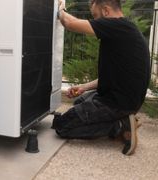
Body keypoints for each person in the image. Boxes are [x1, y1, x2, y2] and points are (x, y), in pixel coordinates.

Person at [53, 0, 150, 155]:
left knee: (62, 125)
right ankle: (123, 119)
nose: (95, 21)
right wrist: (84, 87)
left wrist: (60, 9)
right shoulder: (124, 31)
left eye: (95, 16)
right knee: (79, 102)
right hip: (123, 98)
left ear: (106, 11)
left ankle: (119, 125)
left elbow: (70, 23)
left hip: (118, 103)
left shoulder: (116, 26)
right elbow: (114, 77)